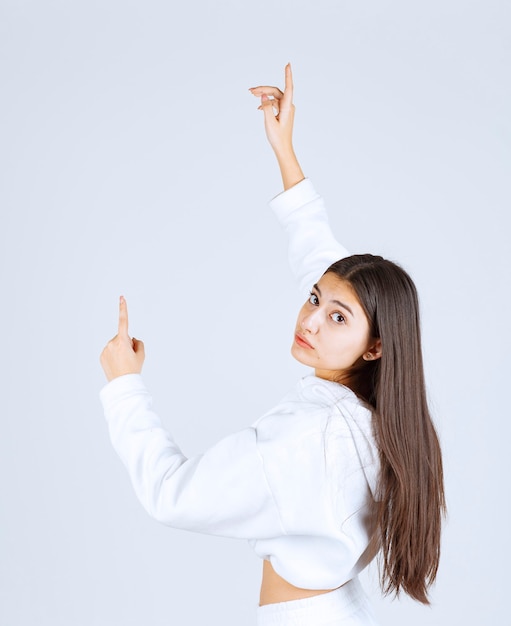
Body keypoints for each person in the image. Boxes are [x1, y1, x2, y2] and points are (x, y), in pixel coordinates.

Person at [99, 64, 445, 626]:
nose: (309, 321)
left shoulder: (306, 436)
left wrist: (123, 387)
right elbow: (325, 263)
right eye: (313, 300)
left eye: (336, 318)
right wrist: (283, 148)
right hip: (340, 606)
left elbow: (172, 496)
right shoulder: (383, 413)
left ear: (375, 345)